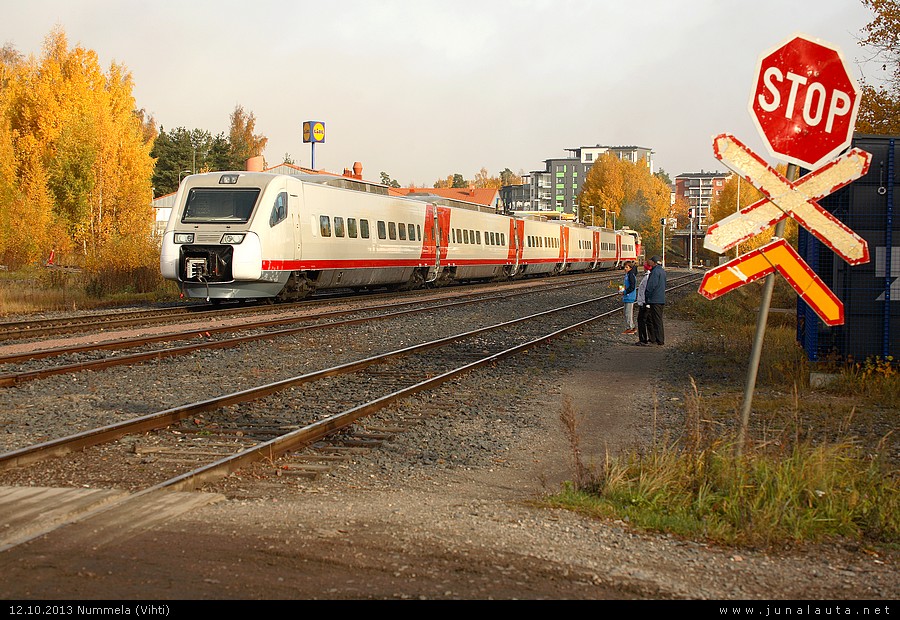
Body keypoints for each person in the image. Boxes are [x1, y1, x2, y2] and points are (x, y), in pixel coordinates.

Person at [644, 255, 667, 346]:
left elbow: (651, 286)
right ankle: (659, 339)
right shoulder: (662, 271)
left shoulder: (655, 272)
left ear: (654, 262)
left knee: (655, 320)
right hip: (660, 299)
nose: (649, 262)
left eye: (650, 261)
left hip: (654, 299)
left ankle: (659, 339)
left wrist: (647, 296)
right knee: (658, 319)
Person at [633, 260, 652, 345]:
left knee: (641, 321)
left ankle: (643, 339)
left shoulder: (647, 277)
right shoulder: (648, 276)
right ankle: (651, 338)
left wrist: (645, 303)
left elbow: (646, 291)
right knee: (648, 321)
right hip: (645, 302)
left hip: (645, 303)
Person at [620, 261, 637, 334]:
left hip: (630, 296)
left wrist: (625, 292)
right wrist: (621, 290)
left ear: (630, 268)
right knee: (626, 312)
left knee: (628, 313)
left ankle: (631, 327)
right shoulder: (627, 275)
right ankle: (630, 326)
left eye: (627, 267)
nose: (625, 268)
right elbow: (625, 284)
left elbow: (632, 287)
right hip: (626, 296)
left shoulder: (631, 275)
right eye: (625, 267)